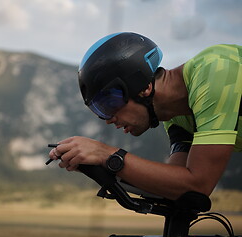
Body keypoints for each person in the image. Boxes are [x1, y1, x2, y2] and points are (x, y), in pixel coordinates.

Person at [48, 32, 242, 200]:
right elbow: (175, 189)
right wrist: (97, 166)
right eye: (100, 109)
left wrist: (105, 153)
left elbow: (198, 185)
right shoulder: (176, 116)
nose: (108, 118)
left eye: (109, 103)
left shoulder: (215, 74)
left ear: (144, 87)